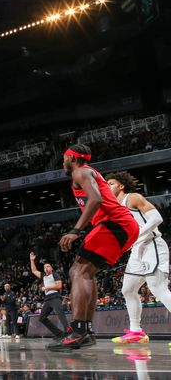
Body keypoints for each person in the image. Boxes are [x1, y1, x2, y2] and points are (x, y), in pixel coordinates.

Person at [48, 144, 139, 352]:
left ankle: (78, 331)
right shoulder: (87, 173)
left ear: (71, 157)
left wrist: (75, 230)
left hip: (115, 223)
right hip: (122, 226)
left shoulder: (81, 171)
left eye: (64, 158)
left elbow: (96, 199)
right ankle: (86, 331)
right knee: (84, 272)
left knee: (79, 271)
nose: (62, 163)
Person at [106, 171, 171, 345]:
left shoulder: (132, 197)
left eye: (111, 183)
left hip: (152, 245)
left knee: (158, 288)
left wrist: (135, 236)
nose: (107, 186)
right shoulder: (113, 208)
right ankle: (136, 331)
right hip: (137, 251)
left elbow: (157, 218)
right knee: (127, 289)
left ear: (121, 186)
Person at [29, 252, 68, 341]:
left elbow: (59, 286)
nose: (46, 268)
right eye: (44, 267)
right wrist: (32, 260)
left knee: (60, 314)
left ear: (51, 268)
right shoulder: (43, 276)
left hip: (55, 297)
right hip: (48, 299)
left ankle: (68, 333)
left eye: (48, 266)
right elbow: (34, 271)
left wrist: (47, 287)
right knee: (42, 318)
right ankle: (59, 333)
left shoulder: (55, 274)